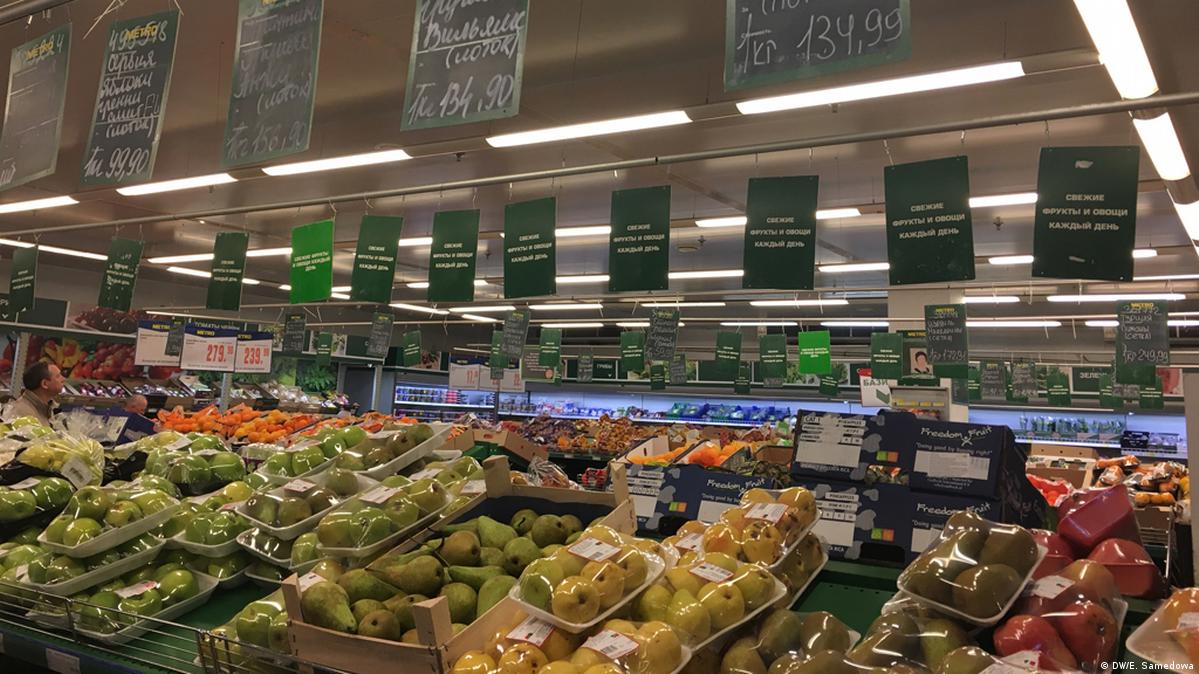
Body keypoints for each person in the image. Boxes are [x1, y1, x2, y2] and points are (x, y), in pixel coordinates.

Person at [9, 361, 64, 426]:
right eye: (58, 376)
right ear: (44, 384)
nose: (63, 379)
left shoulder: (46, 408)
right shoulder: (22, 413)